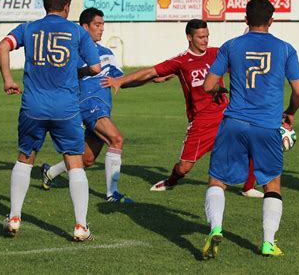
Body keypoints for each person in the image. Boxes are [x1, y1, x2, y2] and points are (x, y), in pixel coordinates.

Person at [101, 19, 263, 197]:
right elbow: (150, 73)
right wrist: (120, 81)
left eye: (207, 36)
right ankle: (171, 181)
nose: (205, 40)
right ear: (189, 37)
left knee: (252, 144)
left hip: (225, 115)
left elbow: (239, 58)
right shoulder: (181, 61)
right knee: (184, 167)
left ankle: (248, 187)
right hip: (201, 122)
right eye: (201, 37)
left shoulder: (217, 53)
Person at [0, 0, 101, 241]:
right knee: (74, 163)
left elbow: (2, 46)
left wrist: (8, 79)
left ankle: (15, 217)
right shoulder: (77, 32)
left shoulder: (29, 28)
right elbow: (97, 68)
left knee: (25, 157)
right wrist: (80, 72)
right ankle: (80, 226)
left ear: (46, 5)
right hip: (65, 108)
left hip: (33, 106)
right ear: (67, 6)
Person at [201, 0, 299, 259]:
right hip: (267, 125)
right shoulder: (286, 49)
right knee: (272, 183)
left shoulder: (231, 45)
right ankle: (268, 242)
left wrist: (220, 88)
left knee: (218, 179)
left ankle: (215, 228)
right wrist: (290, 112)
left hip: (234, 122)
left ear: (245, 19)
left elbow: (207, 85)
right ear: (271, 20)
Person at [40, 7, 133, 204]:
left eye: (103, 25)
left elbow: (119, 79)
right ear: (84, 27)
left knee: (88, 159)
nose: (101, 29)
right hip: (87, 104)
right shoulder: (74, 51)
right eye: (97, 25)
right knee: (116, 139)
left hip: (102, 106)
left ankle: (50, 172)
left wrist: (151, 76)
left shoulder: (107, 53)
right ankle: (112, 194)